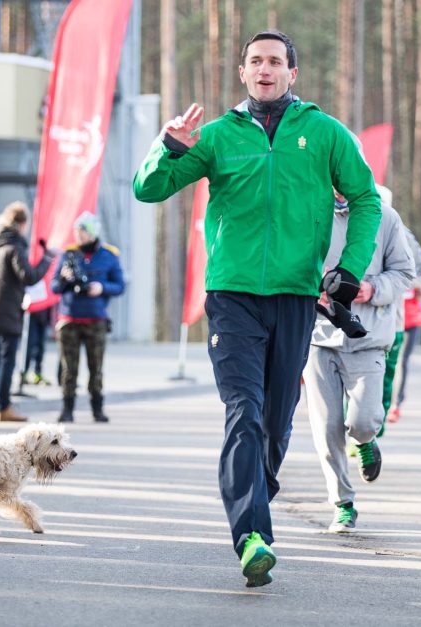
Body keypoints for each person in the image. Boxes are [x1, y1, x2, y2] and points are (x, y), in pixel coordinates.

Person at [133, 30, 381, 587]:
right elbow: (148, 190)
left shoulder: (323, 134)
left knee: (274, 422)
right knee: (242, 409)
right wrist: (167, 146)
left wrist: (351, 266)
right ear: (242, 73)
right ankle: (251, 536)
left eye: (276, 61)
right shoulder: (217, 137)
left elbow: (364, 198)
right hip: (231, 297)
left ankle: (253, 491)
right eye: (255, 62)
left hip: (295, 297)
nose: (265, 69)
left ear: (293, 73)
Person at [303, 191, 414, 533]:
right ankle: (343, 504)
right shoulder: (309, 208)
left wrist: (371, 289)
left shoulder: (384, 216)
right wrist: (310, 287)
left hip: (368, 336)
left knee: (362, 421)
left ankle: (366, 441)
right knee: (326, 428)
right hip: (318, 336)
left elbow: (405, 274)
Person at [0, 201, 56, 422]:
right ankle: (5, 407)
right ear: (21, 224)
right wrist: (47, 259)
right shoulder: (14, 247)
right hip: (8, 310)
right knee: (6, 360)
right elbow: (29, 276)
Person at [50, 212, 125, 423]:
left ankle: (97, 408)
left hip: (96, 319)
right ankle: (67, 409)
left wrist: (101, 288)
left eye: (83, 231)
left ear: (92, 233)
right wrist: (64, 279)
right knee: (68, 369)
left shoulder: (109, 255)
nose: (79, 236)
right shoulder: (68, 255)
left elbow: (120, 286)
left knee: (96, 368)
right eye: (77, 232)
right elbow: (54, 286)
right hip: (69, 319)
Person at [388, 231, 421, 424]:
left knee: (401, 362)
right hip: (390, 319)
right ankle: (384, 400)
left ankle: (396, 403)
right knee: (386, 362)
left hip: (411, 321)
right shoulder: (388, 263)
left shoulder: (418, 265)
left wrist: (419, 289)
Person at [20, 304, 54, 386]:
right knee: (29, 346)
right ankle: (23, 374)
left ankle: (37, 373)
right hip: (31, 313)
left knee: (41, 347)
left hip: (44, 314)